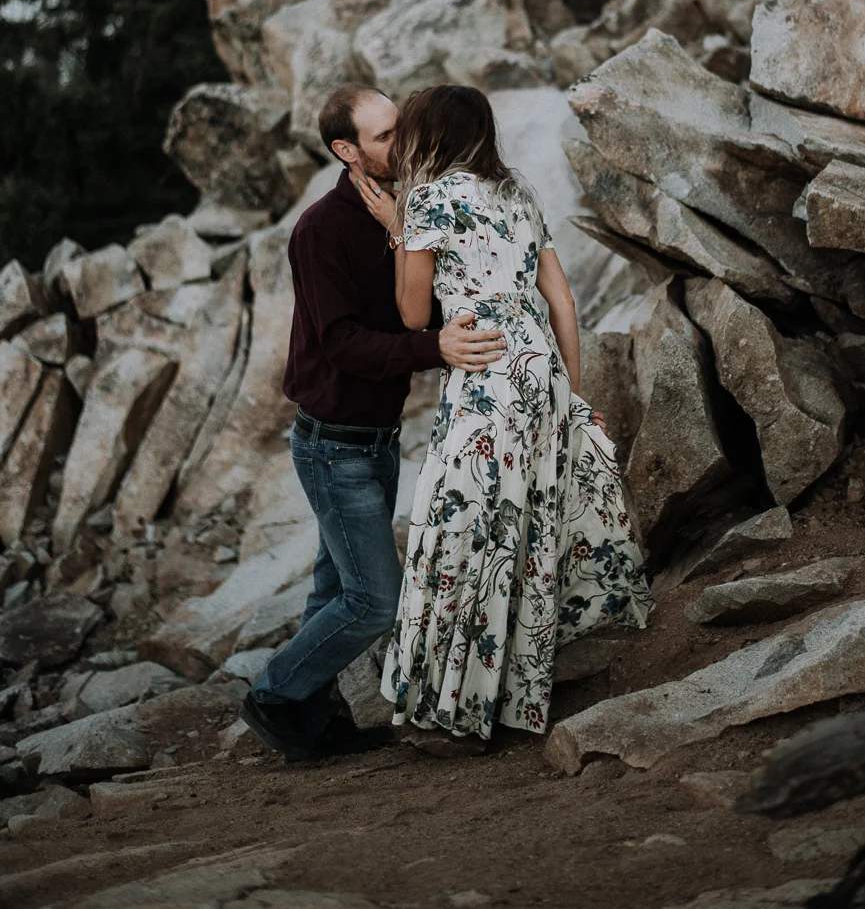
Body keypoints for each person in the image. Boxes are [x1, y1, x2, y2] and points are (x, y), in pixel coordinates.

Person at [354, 84, 651, 750]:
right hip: (540, 371)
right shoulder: (518, 192)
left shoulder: (428, 198)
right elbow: (564, 302)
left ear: (429, 135)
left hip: (486, 381)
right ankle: (511, 700)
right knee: (522, 535)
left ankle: (451, 711)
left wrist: (398, 228)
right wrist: (570, 395)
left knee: (458, 533)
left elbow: (410, 318)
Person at [241, 82, 507, 762]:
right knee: (372, 602)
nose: (403, 140)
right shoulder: (320, 229)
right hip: (333, 448)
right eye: (385, 135)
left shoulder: (411, 202)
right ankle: (272, 693)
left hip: (378, 440)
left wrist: (402, 236)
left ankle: (312, 717)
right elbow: (342, 344)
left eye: (400, 127)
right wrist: (433, 348)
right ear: (345, 150)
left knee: (332, 589)